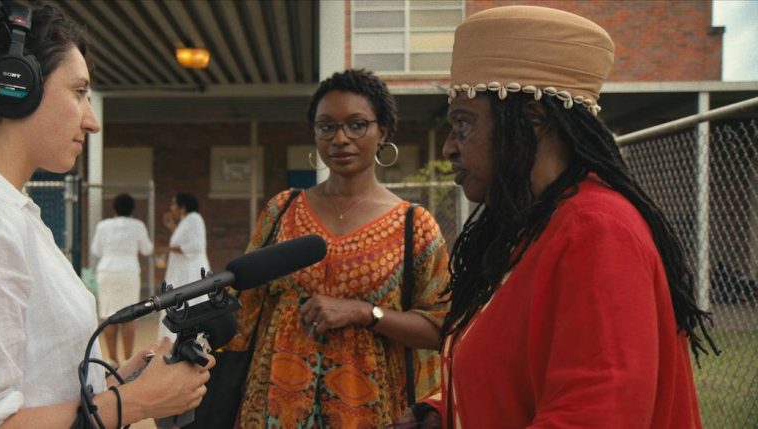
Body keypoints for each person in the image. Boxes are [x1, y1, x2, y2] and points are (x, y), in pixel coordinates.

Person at [0, 3, 212, 428]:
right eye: (79, 92)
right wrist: (134, 404)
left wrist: (117, 385)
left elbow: (34, 380)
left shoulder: (2, 210)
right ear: (14, 85)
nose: (92, 120)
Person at [420, 6, 718, 428]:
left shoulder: (597, 230)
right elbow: (514, 367)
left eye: (463, 124)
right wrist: (435, 413)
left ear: (532, 119)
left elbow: (592, 413)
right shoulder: (533, 227)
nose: (449, 147)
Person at [224, 69, 451, 427]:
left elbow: (442, 328)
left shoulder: (414, 226)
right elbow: (244, 310)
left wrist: (364, 312)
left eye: (357, 125)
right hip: (274, 407)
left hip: (370, 411)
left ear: (383, 133)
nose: (340, 138)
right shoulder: (281, 210)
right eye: (326, 126)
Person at [91, 193, 153, 364]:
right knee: (129, 316)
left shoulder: (103, 225)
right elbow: (147, 250)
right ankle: (128, 360)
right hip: (129, 272)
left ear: (114, 208)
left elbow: (96, 250)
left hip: (107, 271)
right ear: (133, 209)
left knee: (109, 315)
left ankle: (112, 360)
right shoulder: (138, 225)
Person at [157, 192, 212, 341]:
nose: (171, 208)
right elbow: (184, 240)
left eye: (174, 204)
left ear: (182, 207)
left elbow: (196, 245)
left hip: (191, 270)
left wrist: (168, 250)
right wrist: (172, 227)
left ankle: (189, 338)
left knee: (190, 301)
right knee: (179, 301)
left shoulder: (194, 218)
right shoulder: (186, 220)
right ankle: (176, 338)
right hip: (182, 270)